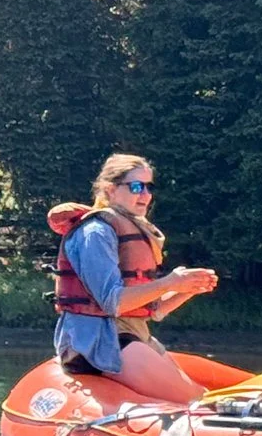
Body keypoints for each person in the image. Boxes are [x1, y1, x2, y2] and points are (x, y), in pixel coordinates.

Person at [51, 152, 219, 403]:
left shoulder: (127, 228)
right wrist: (171, 281)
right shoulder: (95, 233)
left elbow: (154, 311)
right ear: (110, 189)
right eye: (137, 187)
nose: (146, 195)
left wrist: (187, 289)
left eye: (149, 187)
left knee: (202, 396)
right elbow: (114, 302)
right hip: (98, 342)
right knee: (197, 401)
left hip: (132, 333)